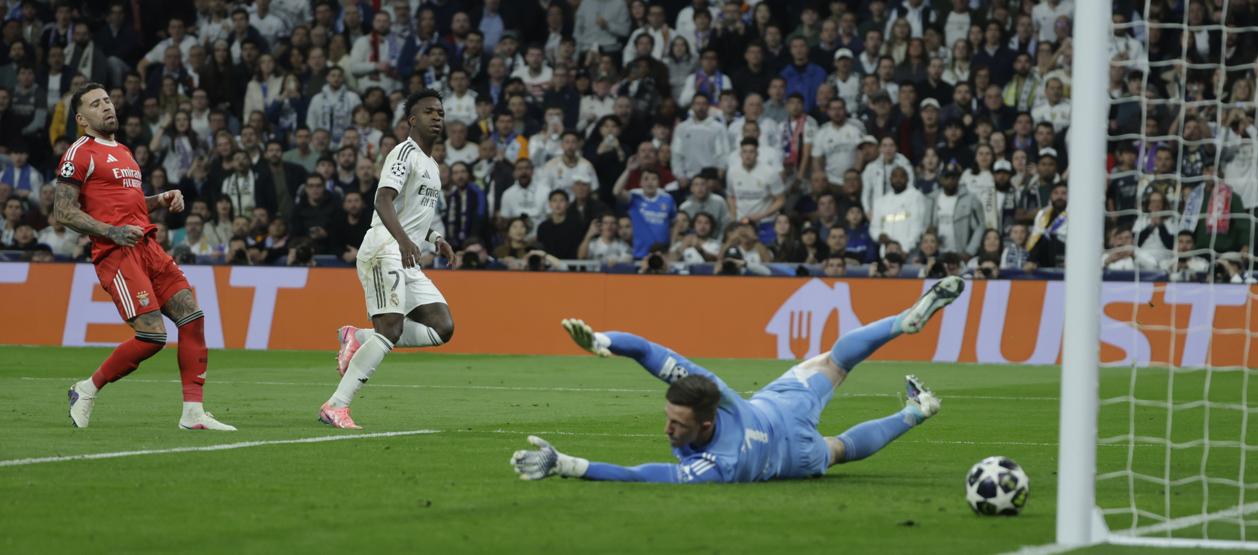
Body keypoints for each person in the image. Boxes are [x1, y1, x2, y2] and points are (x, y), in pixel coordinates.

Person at [510, 277, 964, 483]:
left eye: (678, 425)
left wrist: (569, 464)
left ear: (705, 426)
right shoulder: (712, 390)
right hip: (780, 409)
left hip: (792, 456)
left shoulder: (719, 465)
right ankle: (900, 322)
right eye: (669, 417)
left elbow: (643, 474)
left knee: (840, 449)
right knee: (836, 360)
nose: (668, 429)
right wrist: (602, 342)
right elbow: (647, 351)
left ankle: (915, 412)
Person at [58, 83, 233, 431]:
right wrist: (111, 232)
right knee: (153, 336)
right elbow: (63, 212)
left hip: (148, 247)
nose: (106, 106)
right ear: (81, 118)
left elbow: (130, 203)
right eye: (96, 104)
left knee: (192, 317)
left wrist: (161, 199)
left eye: (107, 100)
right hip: (116, 253)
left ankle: (193, 413)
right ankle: (86, 389)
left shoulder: (123, 151)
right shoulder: (79, 153)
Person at [325, 90, 457, 429]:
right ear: (412, 120)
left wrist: (434, 238)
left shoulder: (433, 166)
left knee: (442, 327)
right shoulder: (404, 153)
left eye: (440, 112)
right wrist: (403, 241)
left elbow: (414, 214)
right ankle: (337, 405)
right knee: (391, 330)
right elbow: (383, 201)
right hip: (385, 247)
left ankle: (359, 337)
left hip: (405, 252)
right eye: (428, 112)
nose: (437, 117)